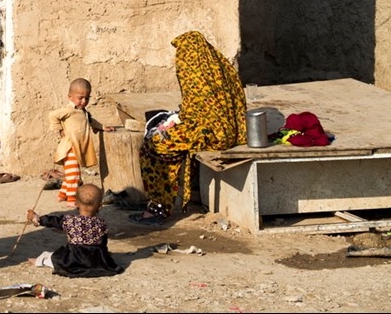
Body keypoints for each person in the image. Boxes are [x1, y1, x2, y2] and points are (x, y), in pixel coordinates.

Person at [131, 30, 247, 225]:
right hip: (230, 131)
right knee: (169, 135)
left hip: (212, 134)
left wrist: (175, 120)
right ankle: (179, 194)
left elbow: (194, 113)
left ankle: (159, 206)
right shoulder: (219, 66)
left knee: (153, 146)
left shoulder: (194, 69)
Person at [26, 183, 124, 277]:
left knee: (52, 257)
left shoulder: (70, 221)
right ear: (100, 207)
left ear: (76, 203)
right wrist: (104, 255)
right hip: (95, 260)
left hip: (73, 259)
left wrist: (36, 218)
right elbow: (103, 243)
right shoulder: (101, 223)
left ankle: (38, 261)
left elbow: (53, 221)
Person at [48, 78, 115, 204]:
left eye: (87, 98)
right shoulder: (69, 111)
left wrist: (102, 127)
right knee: (75, 175)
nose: (84, 101)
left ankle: (62, 195)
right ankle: (73, 199)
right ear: (70, 97)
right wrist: (60, 130)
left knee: (70, 173)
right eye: (80, 98)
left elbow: (90, 122)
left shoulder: (83, 112)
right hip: (70, 147)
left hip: (79, 147)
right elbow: (52, 115)